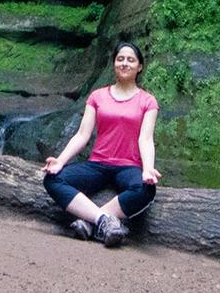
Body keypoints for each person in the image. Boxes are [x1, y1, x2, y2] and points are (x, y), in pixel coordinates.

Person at [43, 41, 161, 247]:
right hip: (97, 164)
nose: (125, 63)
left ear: (139, 66)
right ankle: (103, 221)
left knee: (145, 189)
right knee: (53, 179)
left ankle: (89, 222)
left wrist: (148, 169)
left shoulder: (147, 101)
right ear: (114, 63)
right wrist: (60, 161)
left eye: (130, 60)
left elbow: (146, 139)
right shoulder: (98, 96)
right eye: (120, 59)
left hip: (129, 166)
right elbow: (82, 134)